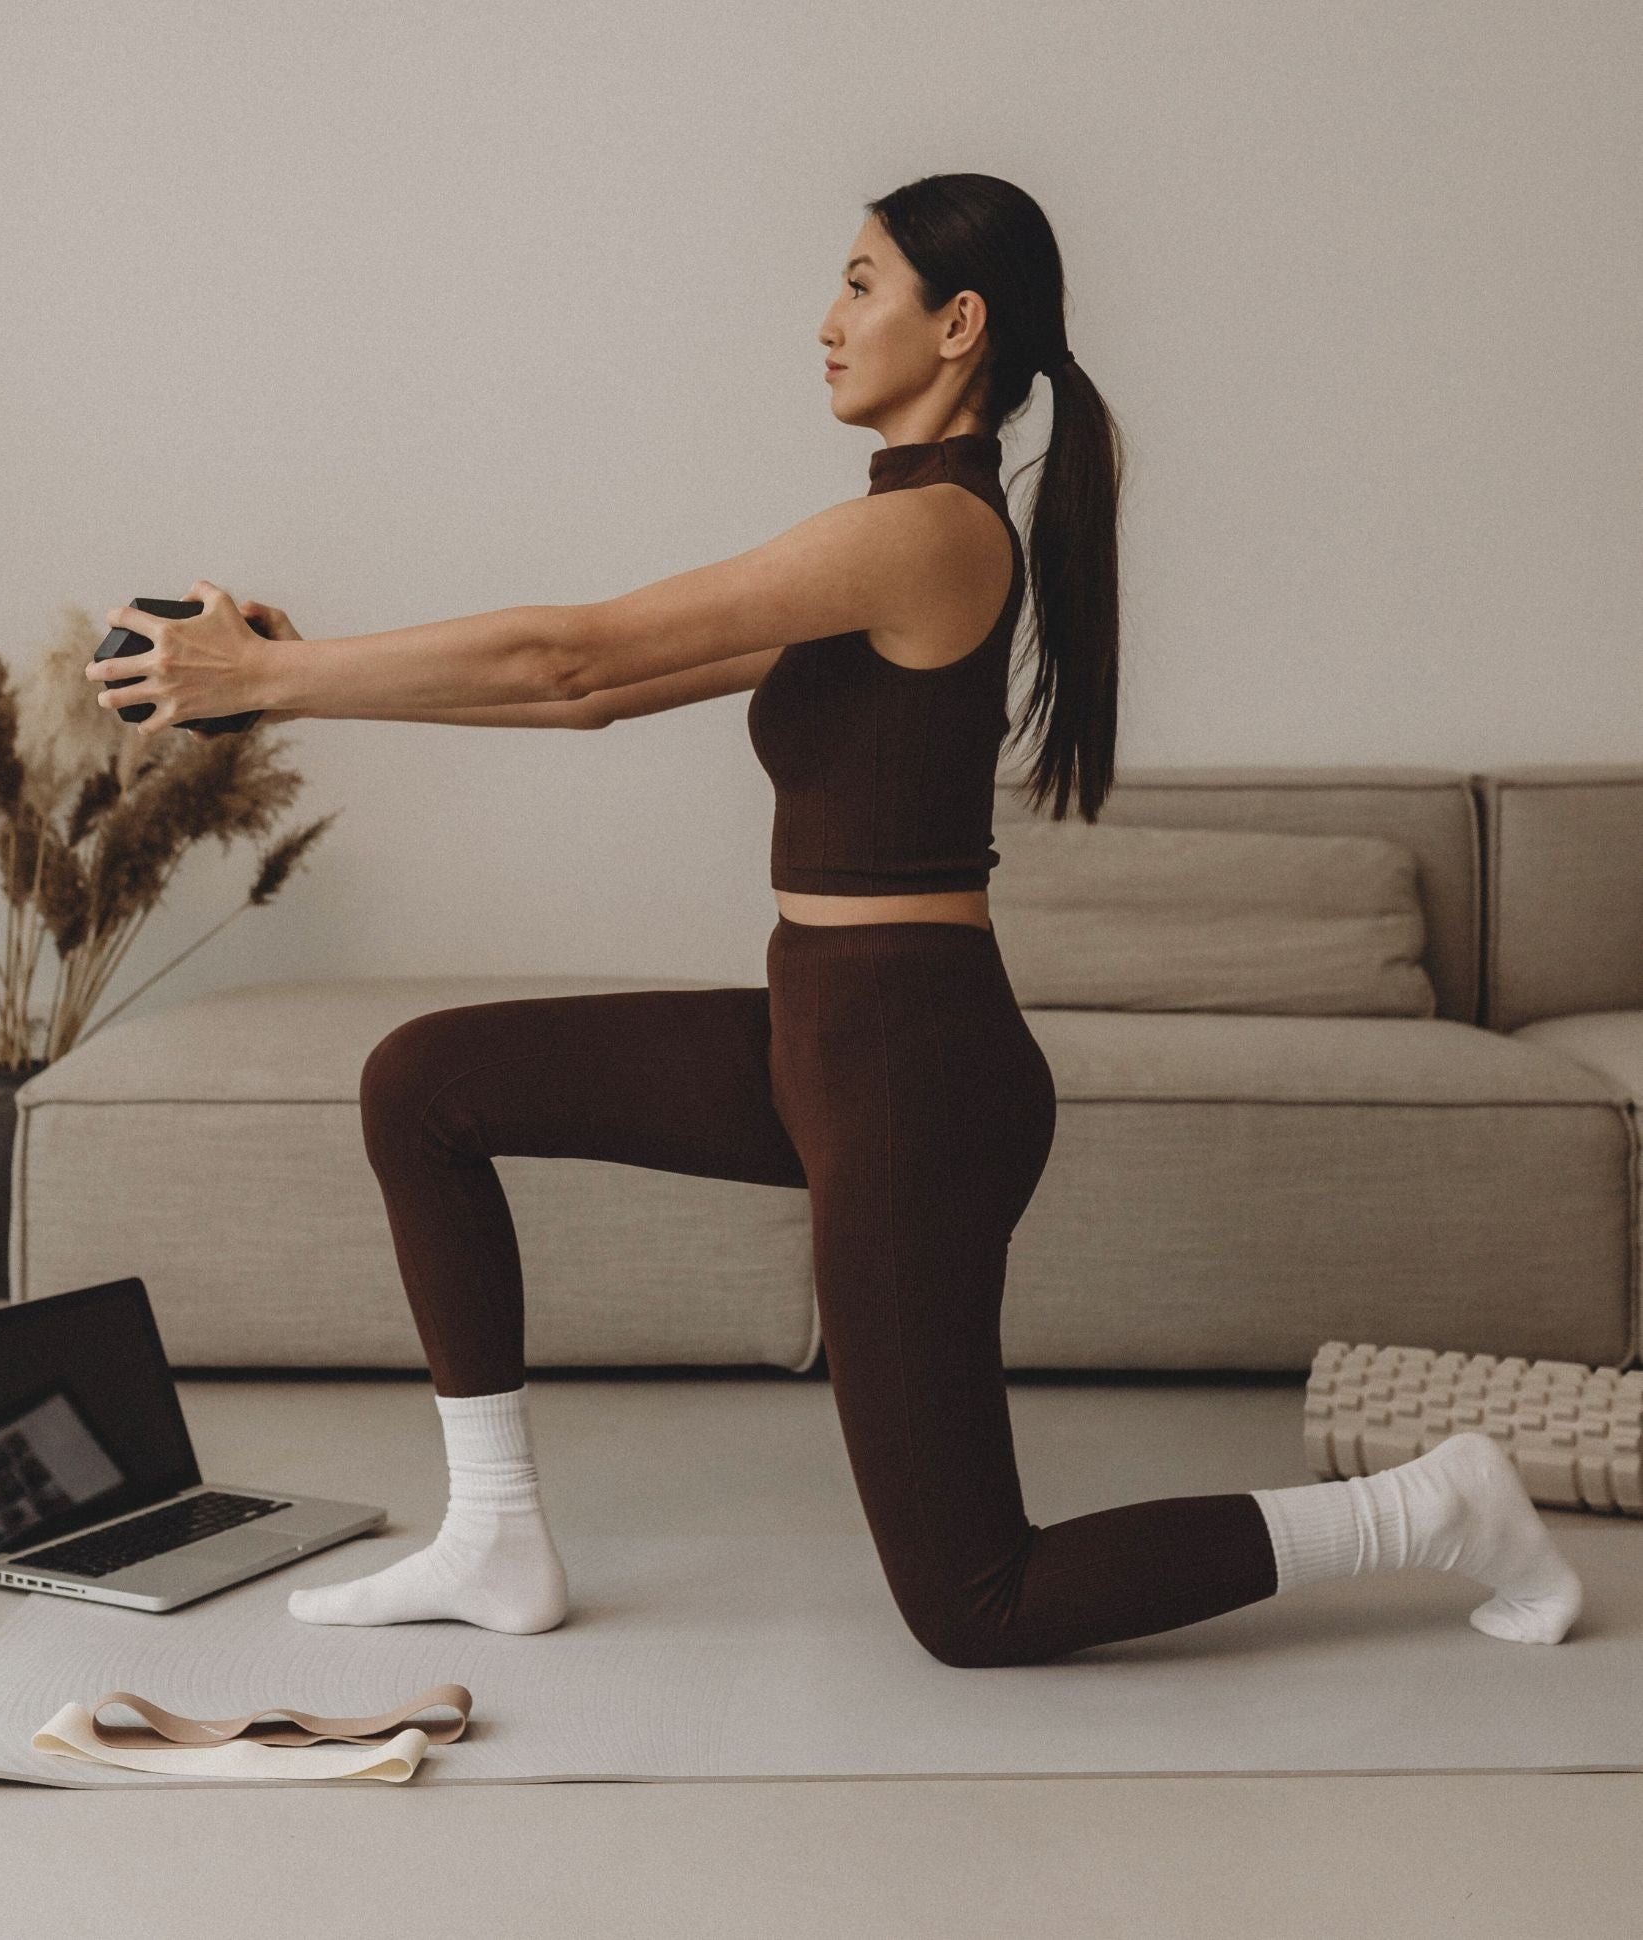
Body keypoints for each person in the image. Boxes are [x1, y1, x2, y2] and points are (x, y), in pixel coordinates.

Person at [90, 174, 1582, 1662]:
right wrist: (311, 664)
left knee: (977, 1603)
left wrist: (268, 687)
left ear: (958, 324)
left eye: (860, 284)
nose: (826, 321)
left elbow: (565, 654)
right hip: (829, 1035)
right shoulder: (883, 540)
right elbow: (596, 696)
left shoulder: (929, 534)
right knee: (425, 1082)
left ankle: (1434, 1509)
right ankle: (492, 1537)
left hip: (910, 1077)